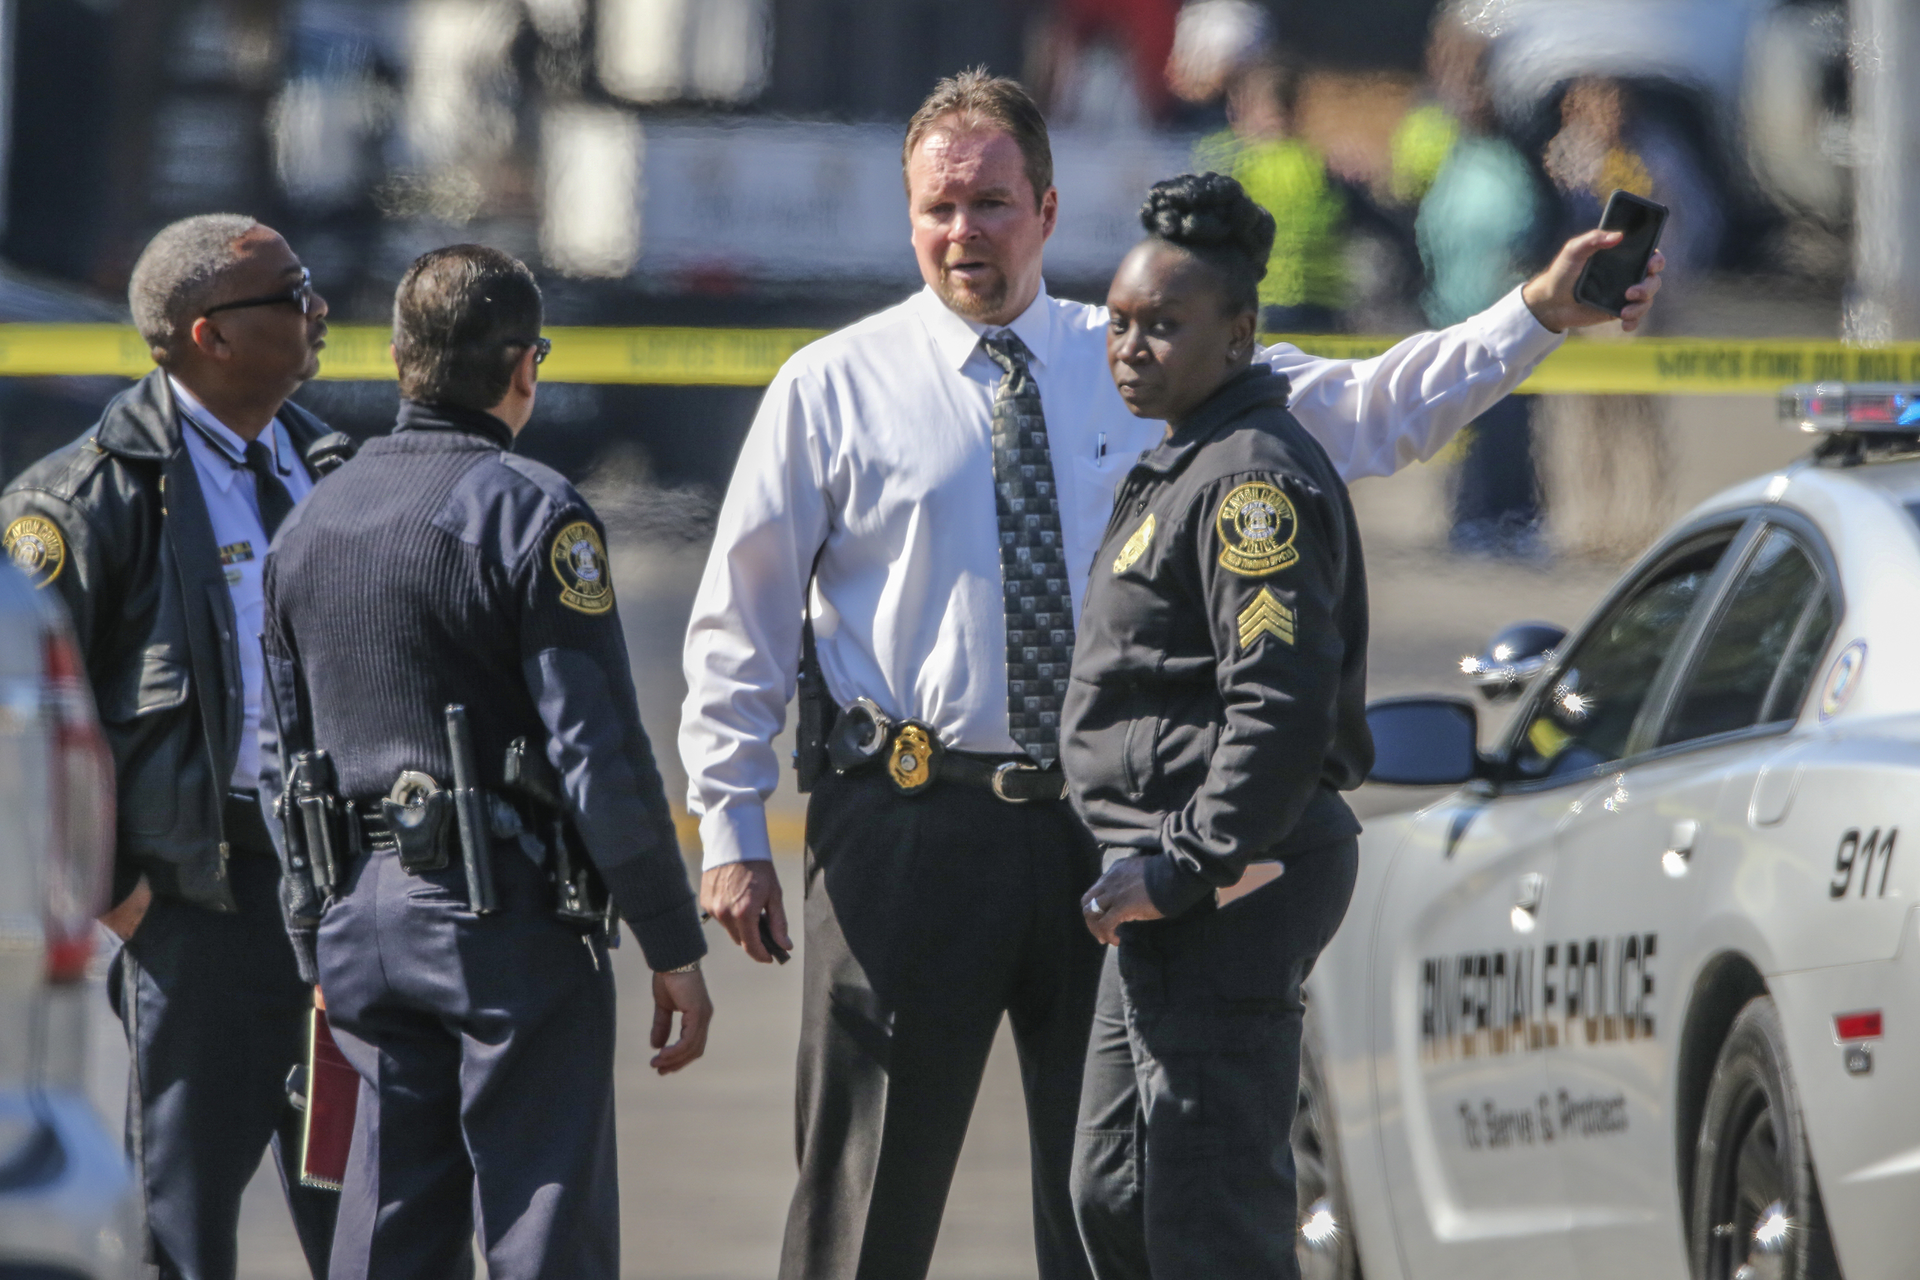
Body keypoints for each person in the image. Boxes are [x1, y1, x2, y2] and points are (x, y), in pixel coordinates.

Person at [679, 69, 1660, 1280]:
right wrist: (727, 822)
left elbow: (1371, 408)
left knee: (1109, 1203)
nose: (961, 232)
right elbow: (744, 614)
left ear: (1044, 206)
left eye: (989, 203)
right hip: (907, 833)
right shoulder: (832, 386)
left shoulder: (1143, 350)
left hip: (1107, 840)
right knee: (863, 1209)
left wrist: (1536, 314)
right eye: (937, 207)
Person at [258, 244, 710, 1278]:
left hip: (357, 923)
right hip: (500, 915)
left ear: (402, 358)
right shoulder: (529, 511)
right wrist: (670, 941)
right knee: (543, 1213)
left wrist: (309, 942)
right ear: (523, 366)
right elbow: (598, 753)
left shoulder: (310, 523)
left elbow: (289, 759)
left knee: (387, 1227)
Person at [0, 214, 340, 1280]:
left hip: (338, 906)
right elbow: (29, 728)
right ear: (210, 334)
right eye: (289, 294)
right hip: (194, 912)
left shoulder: (333, 467)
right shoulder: (83, 501)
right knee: (177, 1226)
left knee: (373, 1212)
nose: (315, 308)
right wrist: (120, 892)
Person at [1064, 171, 1365, 1278]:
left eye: (1165, 326)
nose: (1131, 346)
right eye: (1121, 323)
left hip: (1223, 883)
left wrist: (1189, 861)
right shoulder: (1183, 461)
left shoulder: (1250, 486)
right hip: (1161, 879)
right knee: (1116, 1188)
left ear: (1240, 335)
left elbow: (1277, 702)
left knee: (1208, 1215)